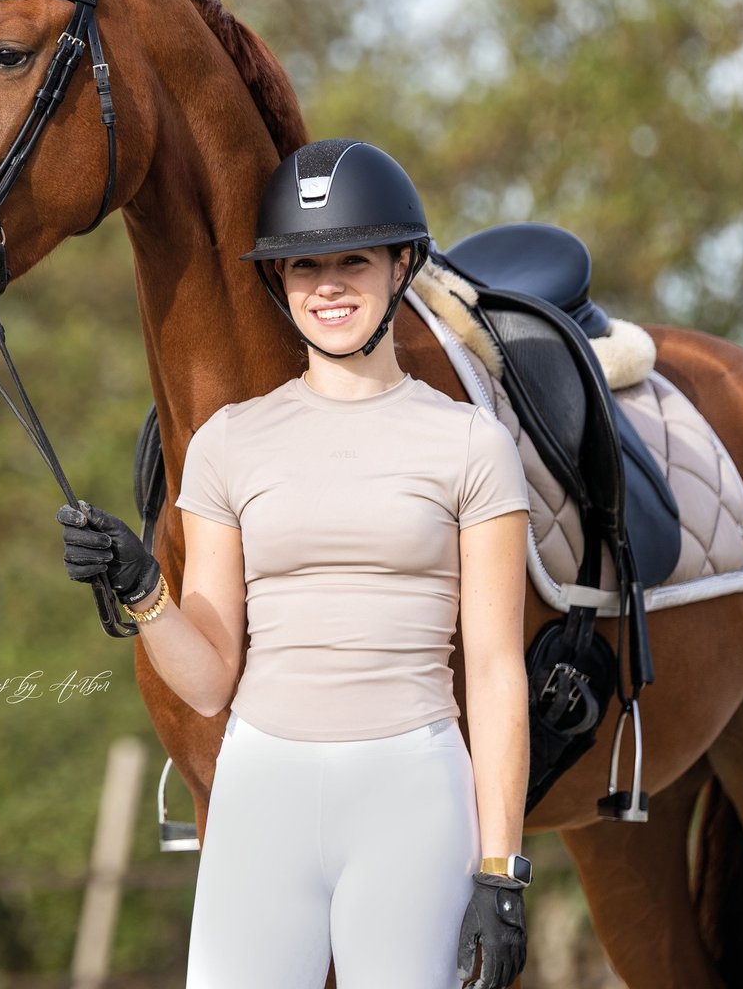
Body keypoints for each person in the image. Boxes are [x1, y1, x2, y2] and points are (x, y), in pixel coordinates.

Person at [57, 139, 533, 989]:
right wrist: (140, 588)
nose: (329, 285)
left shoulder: (472, 444)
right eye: (304, 264)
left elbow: (496, 673)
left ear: (400, 266)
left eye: (353, 258)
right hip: (260, 791)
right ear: (278, 281)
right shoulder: (226, 445)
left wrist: (502, 868)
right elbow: (206, 680)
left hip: (410, 794)